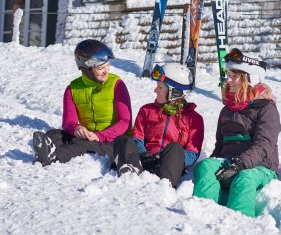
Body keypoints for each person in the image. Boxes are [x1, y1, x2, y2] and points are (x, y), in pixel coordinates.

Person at [193, 48, 280, 217]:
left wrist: (240, 164)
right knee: (205, 166)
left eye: (235, 76)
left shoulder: (266, 109)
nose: (229, 81)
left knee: (244, 179)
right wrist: (214, 163)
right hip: (230, 162)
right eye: (229, 75)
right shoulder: (227, 110)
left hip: (261, 168)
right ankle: (204, 217)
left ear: (251, 79)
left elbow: (264, 145)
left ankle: (241, 225)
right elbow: (220, 145)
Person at [32, 39, 132, 169]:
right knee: (54, 134)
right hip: (89, 136)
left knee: (83, 145)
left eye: (107, 65)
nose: (106, 71)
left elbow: (125, 122)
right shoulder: (72, 89)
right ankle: (48, 150)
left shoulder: (117, 85)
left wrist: (99, 136)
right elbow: (68, 123)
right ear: (87, 68)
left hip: (113, 141)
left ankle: (54, 157)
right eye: (101, 67)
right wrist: (76, 129)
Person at [114, 63, 204, 188]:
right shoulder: (146, 110)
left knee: (176, 148)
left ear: (175, 93)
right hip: (143, 160)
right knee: (122, 140)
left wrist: (177, 160)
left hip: (168, 165)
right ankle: (130, 175)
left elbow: (192, 152)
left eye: (160, 87)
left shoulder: (194, 119)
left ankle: (162, 185)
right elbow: (137, 137)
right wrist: (144, 154)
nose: (155, 90)